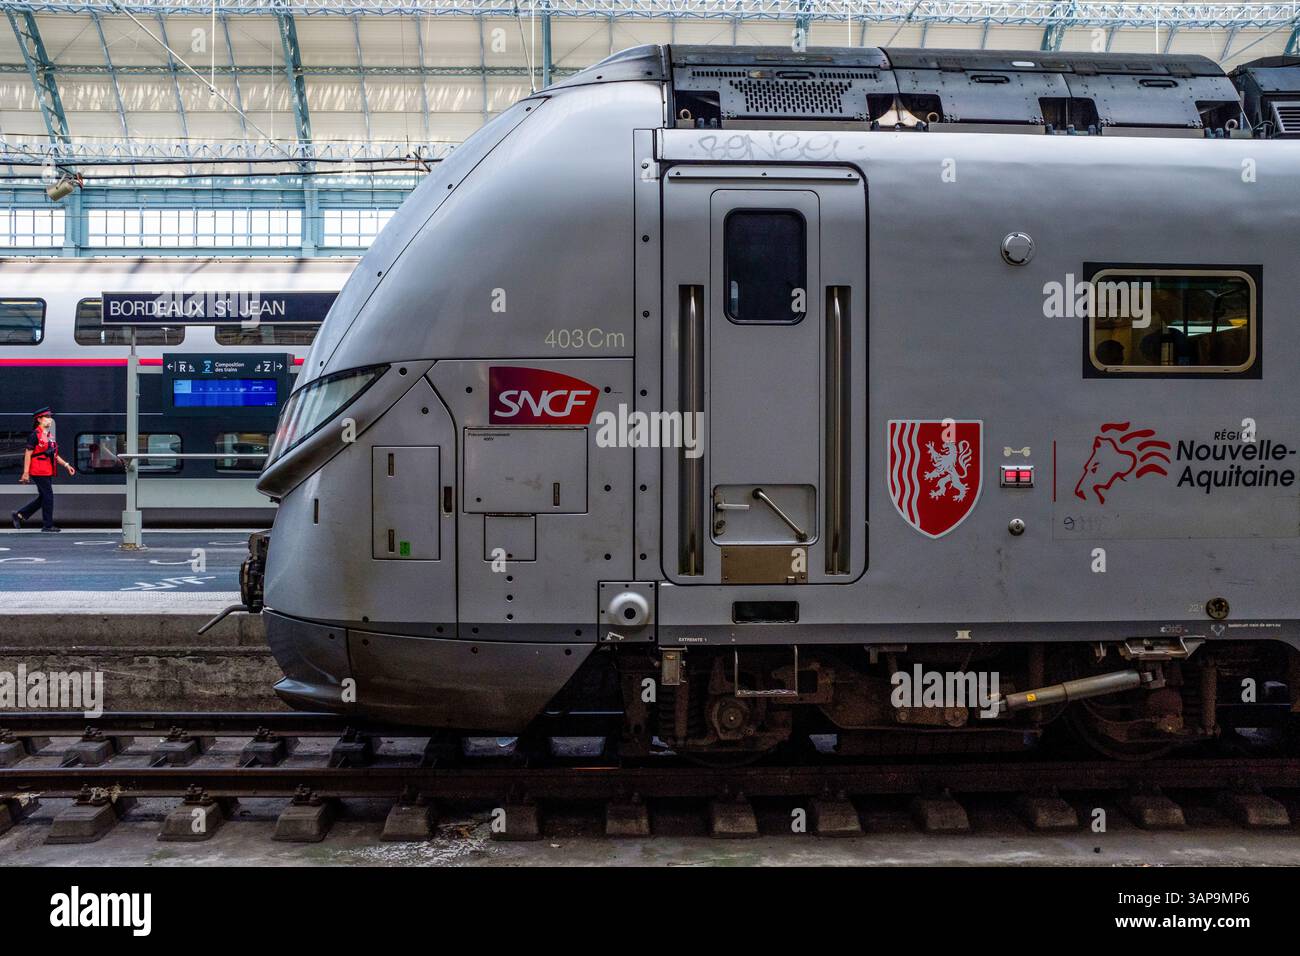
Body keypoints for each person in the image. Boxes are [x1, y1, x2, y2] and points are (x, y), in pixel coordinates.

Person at [12, 407, 76, 532]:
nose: (50, 419)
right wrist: (25, 473)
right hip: (38, 470)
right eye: (47, 417)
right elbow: (28, 454)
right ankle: (47, 525)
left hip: (47, 470)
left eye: (50, 417)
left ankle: (20, 515)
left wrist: (67, 465)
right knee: (48, 496)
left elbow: (54, 455)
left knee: (44, 497)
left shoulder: (49, 436)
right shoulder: (34, 435)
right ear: (39, 419)